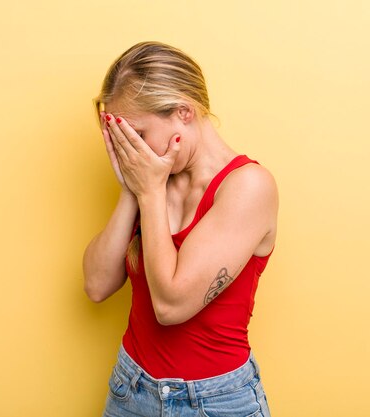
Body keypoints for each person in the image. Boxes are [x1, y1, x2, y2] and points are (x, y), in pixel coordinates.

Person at [83, 41, 278, 417]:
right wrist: (131, 189)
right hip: (130, 390)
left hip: (216, 402)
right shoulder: (153, 178)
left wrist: (149, 191)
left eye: (137, 135)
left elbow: (171, 306)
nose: (130, 151)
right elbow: (96, 285)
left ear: (184, 113)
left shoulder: (248, 187)